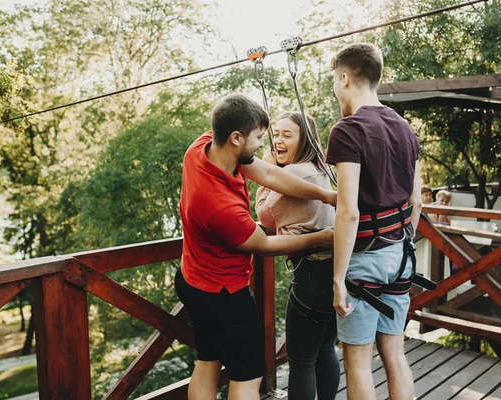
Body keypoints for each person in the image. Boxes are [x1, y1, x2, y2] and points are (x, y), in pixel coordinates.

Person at [175, 94, 336, 400]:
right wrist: (320, 238)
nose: (265, 143)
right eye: (260, 137)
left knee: (207, 361)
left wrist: (325, 196)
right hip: (222, 294)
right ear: (236, 138)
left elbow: (267, 172)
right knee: (249, 377)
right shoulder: (218, 205)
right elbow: (263, 244)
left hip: (191, 278)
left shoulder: (204, 145)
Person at [326, 43, 422, 400]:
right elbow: (417, 201)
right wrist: (398, 242)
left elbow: (348, 211)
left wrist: (337, 279)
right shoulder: (404, 127)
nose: (335, 86)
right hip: (400, 257)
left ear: (346, 78)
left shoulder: (348, 130)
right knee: (395, 355)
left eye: (336, 80)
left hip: (364, 262)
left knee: (358, 363)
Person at [255, 112, 339, 400]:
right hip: (332, 269)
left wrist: (266, 172)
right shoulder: (323, 170)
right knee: (326, 349)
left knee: (301, 359)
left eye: (286, 135)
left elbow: (264, 215)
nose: (278, 140)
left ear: (304, 139)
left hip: (310, 274)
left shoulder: (292, 173)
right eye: (275, 134)